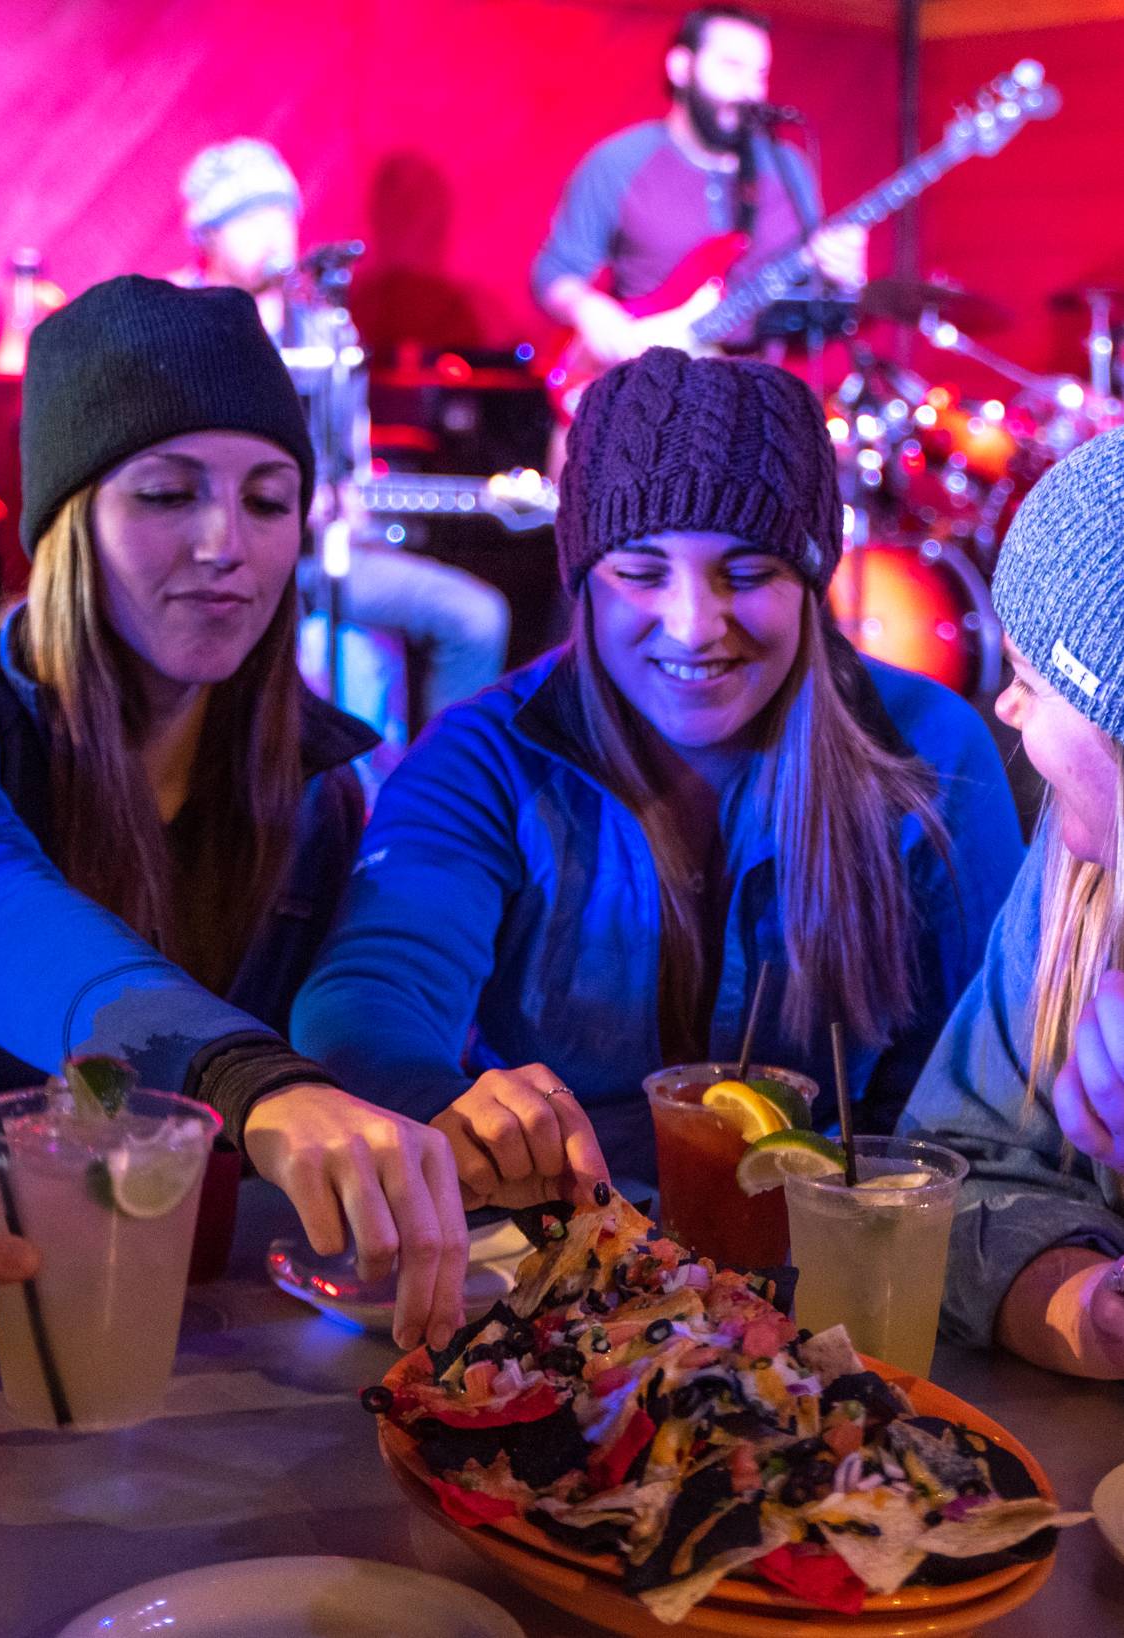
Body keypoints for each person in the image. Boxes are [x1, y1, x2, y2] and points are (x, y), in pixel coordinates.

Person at [0, 275, 479, 1351]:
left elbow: (349, 1034)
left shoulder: (315, 788)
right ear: (70, 522)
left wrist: (447, 1106)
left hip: (183, 1351)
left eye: (266, 500)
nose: (227, 544)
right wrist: (245, 1084)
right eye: (167, 494)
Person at [292, 347, 1021, 1201]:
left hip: (835, 1243)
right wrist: (446, 1114)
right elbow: (368, 993)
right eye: (641, 573)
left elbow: (975, 1081)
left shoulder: (929, 748)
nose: (692, 626)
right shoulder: (484, 753)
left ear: (812, 581)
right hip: (560, 1246)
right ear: (583, 583)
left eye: (747, 573)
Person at [900, 426, 1124, 1380]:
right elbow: (954, 1174)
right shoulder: (1075, 864)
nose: (1004, 706)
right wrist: (1087, 1306)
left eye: (1031, 680)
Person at [175, 138, 511, 727]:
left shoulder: (325, 330)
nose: (272, 233)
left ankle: (436, 799)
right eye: (247, 218)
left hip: (324, 560)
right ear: (206, 236)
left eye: (280, 213)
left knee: (477, 618)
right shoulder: (172, 323)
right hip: (216, 561)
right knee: (349, 668)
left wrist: (350, 503)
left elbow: (347, 463)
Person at [532, 6, 866, 376]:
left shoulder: (787, 168)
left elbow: (812, 314)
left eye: (760, 74)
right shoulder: (619, 162)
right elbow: (556, 270)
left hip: (753, 399)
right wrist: (587, 308)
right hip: (647, 391)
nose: (749, 91)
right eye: (731, 67)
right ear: (680, 67)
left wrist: (843, 280)